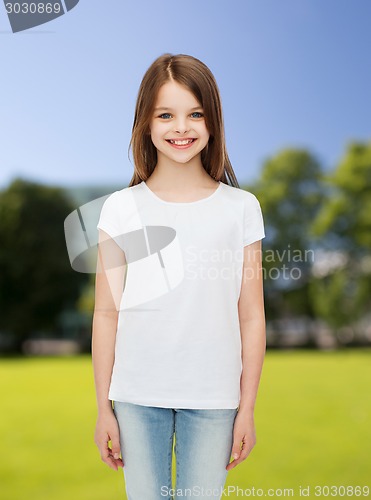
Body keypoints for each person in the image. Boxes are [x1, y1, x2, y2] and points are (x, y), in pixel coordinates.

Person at [92, 53, 266, 500]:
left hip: (214, 400)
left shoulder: (241, 209)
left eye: (195, 114)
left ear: (212, 123)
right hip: (136, 396)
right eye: (165, 115)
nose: (181, 128)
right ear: (146, 124)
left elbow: (251, 317)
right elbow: (106, 313)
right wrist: (103, 408)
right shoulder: (121, 208)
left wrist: (246, 409)